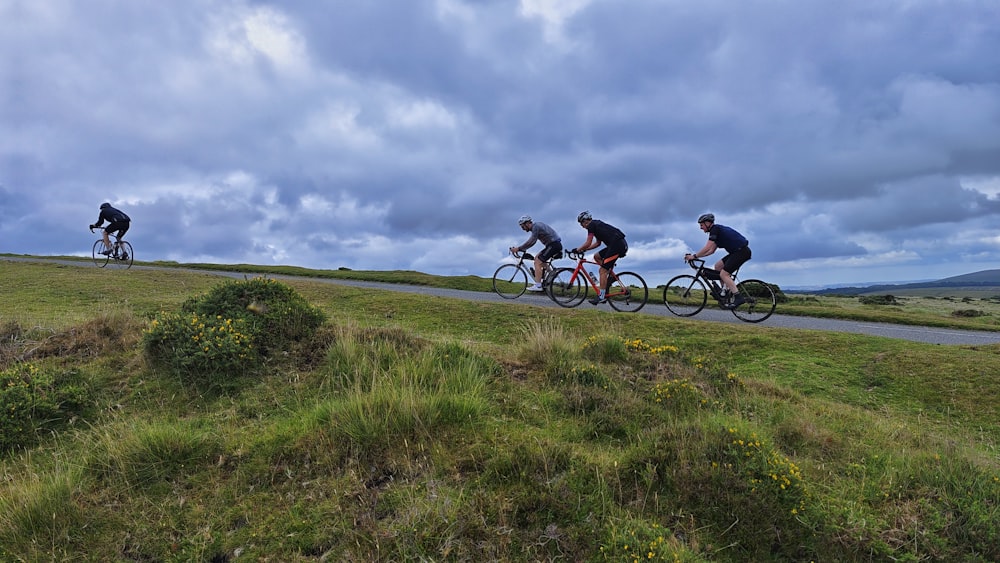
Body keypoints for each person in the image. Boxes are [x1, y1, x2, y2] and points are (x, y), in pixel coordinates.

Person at [685, 213, 751, 309]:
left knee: (724, 274)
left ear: (708, 223)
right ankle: (724, 293)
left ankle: (738, 297)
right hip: (737, 252)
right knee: (718, 266)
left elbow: (707, 247)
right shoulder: (717, 232)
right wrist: (695, 257)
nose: (701, 228)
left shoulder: (715, 229)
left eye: (701, 225)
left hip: (741, 252)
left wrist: (694, 256)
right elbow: (711, 251)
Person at [570, 211, 627, 305]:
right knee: (596, 257)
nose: (581, 226)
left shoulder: (591, 225)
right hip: (616, 245)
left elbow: (588, 243)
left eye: (581, 223)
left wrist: (577, 249)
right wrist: (584, 250)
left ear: (585, 221)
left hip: (617, 246)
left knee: (602, 271)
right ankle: (610, 275)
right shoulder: (596, 225)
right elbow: (597, 243)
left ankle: (602, 296)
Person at [509, 215, 563, 292]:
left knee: (537, 261)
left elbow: (531, 241)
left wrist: (519, 248)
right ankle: (552, 274)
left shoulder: (536, 227)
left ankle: (538, 285)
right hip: (552, 245)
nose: (522, 229)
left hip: (553, 245)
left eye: (523, 226)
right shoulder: (536, 226)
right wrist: (521, 248)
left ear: (527, 223)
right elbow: (531, 242)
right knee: (537, 258)